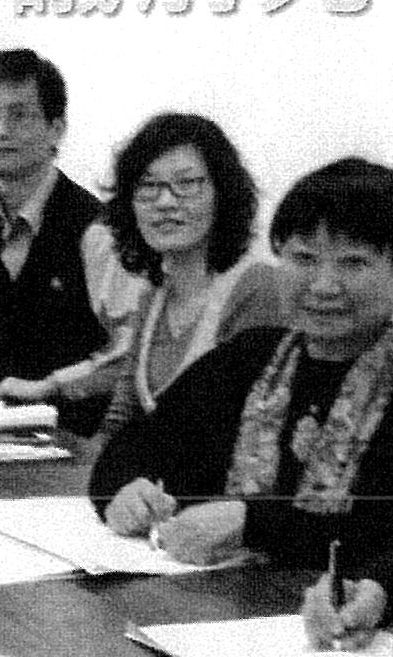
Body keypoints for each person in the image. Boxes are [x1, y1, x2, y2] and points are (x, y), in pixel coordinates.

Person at [90, 156, 393, 613]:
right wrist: (124, 491)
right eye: (304, 258)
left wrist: (254, 524)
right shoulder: (249, 357)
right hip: (211, 607)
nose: (324, 285)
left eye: (353, 262)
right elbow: (131, 447)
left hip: (343, 626)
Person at [71, 112, 288, 439]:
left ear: (222, 194)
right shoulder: (153, 296)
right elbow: (121, 418)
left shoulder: (256, 288)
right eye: (148, 185)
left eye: (186, 184)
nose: (165, 201)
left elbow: (246, 426)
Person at [0, 50, 118, 388]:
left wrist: (53, 386)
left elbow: (129, 351)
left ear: (56, 129)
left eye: (20, 116)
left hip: (63, 415)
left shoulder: (96, 228)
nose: (1, 131)